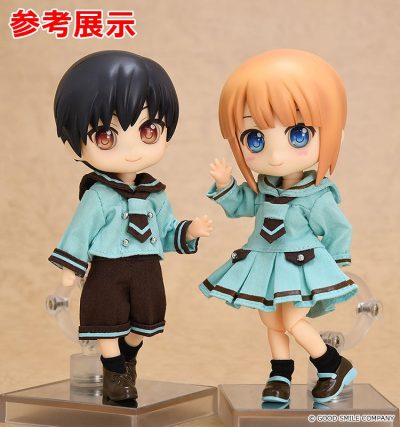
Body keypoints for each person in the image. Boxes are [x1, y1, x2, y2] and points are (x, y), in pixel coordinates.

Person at [49, 50, 212, 404]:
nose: (132, 149)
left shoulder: (155, 194)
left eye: (148, 130)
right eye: (105, 136)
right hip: (108, 268)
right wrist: (69, 269)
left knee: (145, 321)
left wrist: (189, 231)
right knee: (105, 321)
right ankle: (114, 372)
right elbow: (79, 232)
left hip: (146, 267)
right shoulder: (99, 195)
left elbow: (166, 230)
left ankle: (128, 359)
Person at [200, 49, 357, 404]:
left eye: (299, 134)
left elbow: (338, 229)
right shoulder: (263, 190)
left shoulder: (316, 196)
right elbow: (241, 205)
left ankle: (333, 365)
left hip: (301, 266)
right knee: (271, 322)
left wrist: (334, 267)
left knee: (294, 322)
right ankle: (280, 375)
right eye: (255, 138)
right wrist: (225, 184)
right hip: (264, 265)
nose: (274, 155)